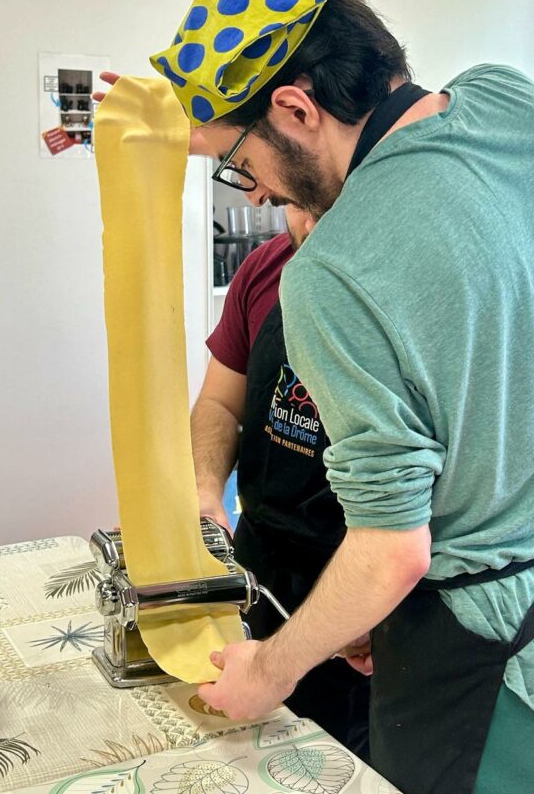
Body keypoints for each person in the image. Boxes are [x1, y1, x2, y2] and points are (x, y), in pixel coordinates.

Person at [96, 0, 534, 794]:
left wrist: (271, 670)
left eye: (244, 162)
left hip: (497, 671)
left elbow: (393, 548)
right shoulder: (514, 106)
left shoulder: (331, 274)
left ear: (295, 108)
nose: (257, 191)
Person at [191, 205, 370, 756]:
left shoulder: (399, 285)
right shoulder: (264, 269)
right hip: (261, 561)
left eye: (326, 203)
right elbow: (220, 403)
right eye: (296, 206)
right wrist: (204, 490)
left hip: (363, 585)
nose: (310, 226)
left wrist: (375, 609)